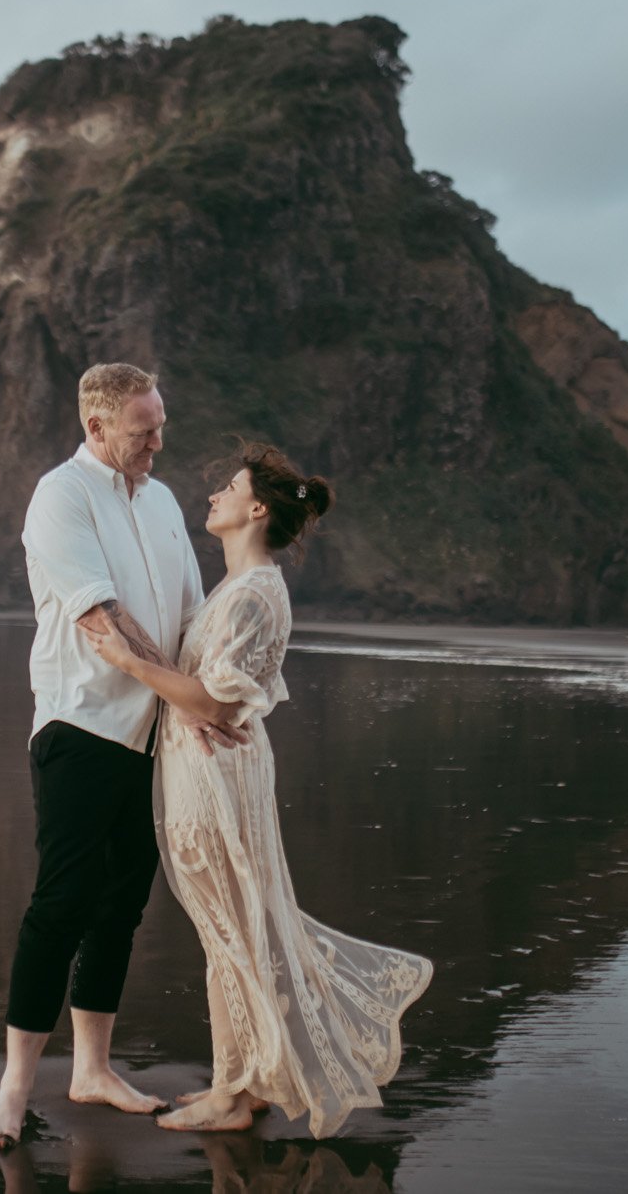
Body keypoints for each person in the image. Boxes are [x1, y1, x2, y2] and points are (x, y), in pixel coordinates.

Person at [83, 442, 432, 1138]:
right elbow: (205, 692)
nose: (213, 494)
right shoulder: (241, 588)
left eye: (228, 486)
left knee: (232, 930)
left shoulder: (253, 594)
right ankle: (247, 1080)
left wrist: (123, 656)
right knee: (235, 929)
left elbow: (213, 702)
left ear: (256, 508)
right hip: (208, 773)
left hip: (214, 783)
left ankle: (233, 1093)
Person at [0, 363, 243, 1151]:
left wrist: (209, 695)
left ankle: (92, 1068)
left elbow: (192, 612)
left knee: (121, 906)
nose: (159, 440)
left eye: (161, 422)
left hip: (155, 738)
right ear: (96, 428)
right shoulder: (60, 495)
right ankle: (13, 1091)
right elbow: (104, 618)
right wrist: (190, 694)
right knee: (60, 905)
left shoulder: (158, 501)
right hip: (80, 728)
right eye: (143, 428)